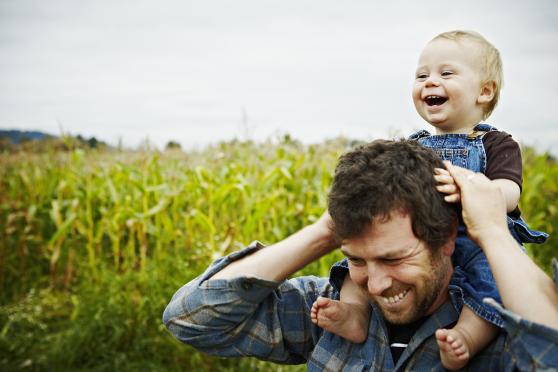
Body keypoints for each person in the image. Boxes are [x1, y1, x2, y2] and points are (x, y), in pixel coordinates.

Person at [163, 140, 558, 371]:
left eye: (393, 258)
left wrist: (491, 229)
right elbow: (192, 319)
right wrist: (323, 234)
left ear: (447, 239)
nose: (377, 284)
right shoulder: (329, 314)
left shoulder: (495, 329)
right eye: (356, 259)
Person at [314, 30, 548, 370]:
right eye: (421, 75)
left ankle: (467, 336)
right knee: (355, 267)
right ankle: (354, 314)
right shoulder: (414, 144)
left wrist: (476, 190)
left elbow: (510, 192)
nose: (429, 82)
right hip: (424, 237)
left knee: (491, 284)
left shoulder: (496, 144)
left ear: (485, 91)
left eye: (445, 73)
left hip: (477, 238)